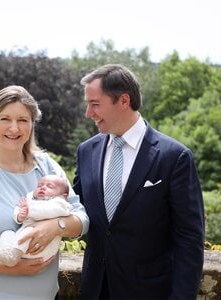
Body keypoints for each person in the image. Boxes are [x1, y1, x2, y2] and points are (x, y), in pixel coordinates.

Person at [0, 85, 89, 300]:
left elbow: (82, 220)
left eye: (23, 120)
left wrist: (55, 226)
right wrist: (10, 268)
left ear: (32, 125)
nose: (14, 128)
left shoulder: (48, 167)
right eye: (5, 119)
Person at [73, 64, 205, 299]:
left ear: (124, 101)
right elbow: (77, 208)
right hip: (95, 290)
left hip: (150, 292)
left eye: (95, 104)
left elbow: (189, 239)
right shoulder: (86, 151)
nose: (88, 113)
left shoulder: (174, 157)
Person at [0, 174, 73, 267]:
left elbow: (49, 211)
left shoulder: (60, 203)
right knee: (7, 233)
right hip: (22, 246)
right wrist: (19, 215)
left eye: (49, 186)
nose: (43, 188)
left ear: (64, 195)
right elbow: (20, 206)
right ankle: (7, 253)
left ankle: (13, 255)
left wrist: (28, 210)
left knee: (31, 230)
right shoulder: (30, 199)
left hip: (41, 248)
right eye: (39, 185)